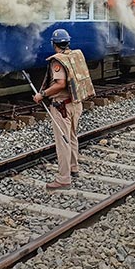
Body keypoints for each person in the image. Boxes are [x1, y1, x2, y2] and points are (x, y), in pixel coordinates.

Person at [33, 28, 93, 189]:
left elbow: (60, 84)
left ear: (54, 44)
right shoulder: (75, 55)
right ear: (68, 42)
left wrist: (42, 94)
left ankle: (63, 179)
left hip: (62, 107)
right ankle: (74, 168)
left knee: (63, 142)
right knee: (72, 137)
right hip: (76, 104)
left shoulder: (58, 61)